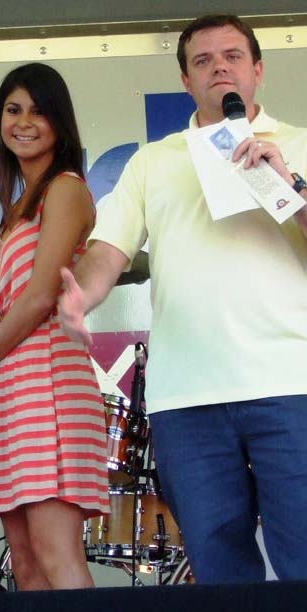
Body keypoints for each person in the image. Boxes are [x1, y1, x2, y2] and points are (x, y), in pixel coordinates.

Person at [57, 14, 307, 584]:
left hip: (291, 384)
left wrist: (291, 186)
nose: (219, 67)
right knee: (218, 575)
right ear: (185, 81)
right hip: (188, 400)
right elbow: (108, 250)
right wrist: (81, 298)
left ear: (258, 69)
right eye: (203, 60)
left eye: (233, 56)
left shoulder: (299, 144)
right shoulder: (153, 161)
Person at [0, 63, 108, 590]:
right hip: (10, 387)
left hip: (47, 379)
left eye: (38, 111)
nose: (24, 122)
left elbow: (38, 297)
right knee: (26, 565)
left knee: (56, 555)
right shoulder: (13, 210)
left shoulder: (66, 189)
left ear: (60, 122)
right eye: (13, 110)